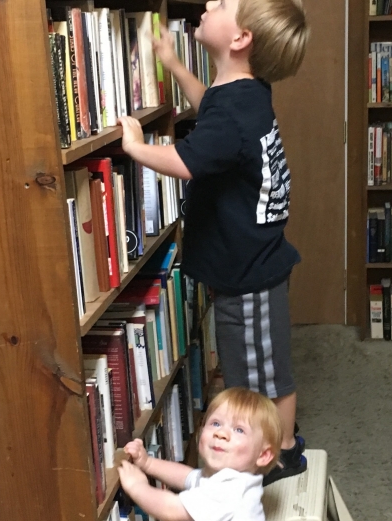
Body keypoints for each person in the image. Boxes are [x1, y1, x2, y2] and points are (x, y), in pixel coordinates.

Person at [118, 0, 309, 485]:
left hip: (250, 274)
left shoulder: (237, 111)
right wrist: (177, 66)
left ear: (240, 38)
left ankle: (283, 457)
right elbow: (210, 108)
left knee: (264, 377)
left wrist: (139, 147)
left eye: (222, 4)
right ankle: (279, 446)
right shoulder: (242, 92)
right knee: (257, 368)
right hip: (246, 263)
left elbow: (188, 160)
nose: (208, 3)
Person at [118, 387, 282, 521]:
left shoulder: (231, 489)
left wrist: (137, 486)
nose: (221, 433)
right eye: (216, 423)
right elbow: (186, 476)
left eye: (239, 430)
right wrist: (148, 463)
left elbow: (169, 509)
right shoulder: (219, 476)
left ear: (263, 455)